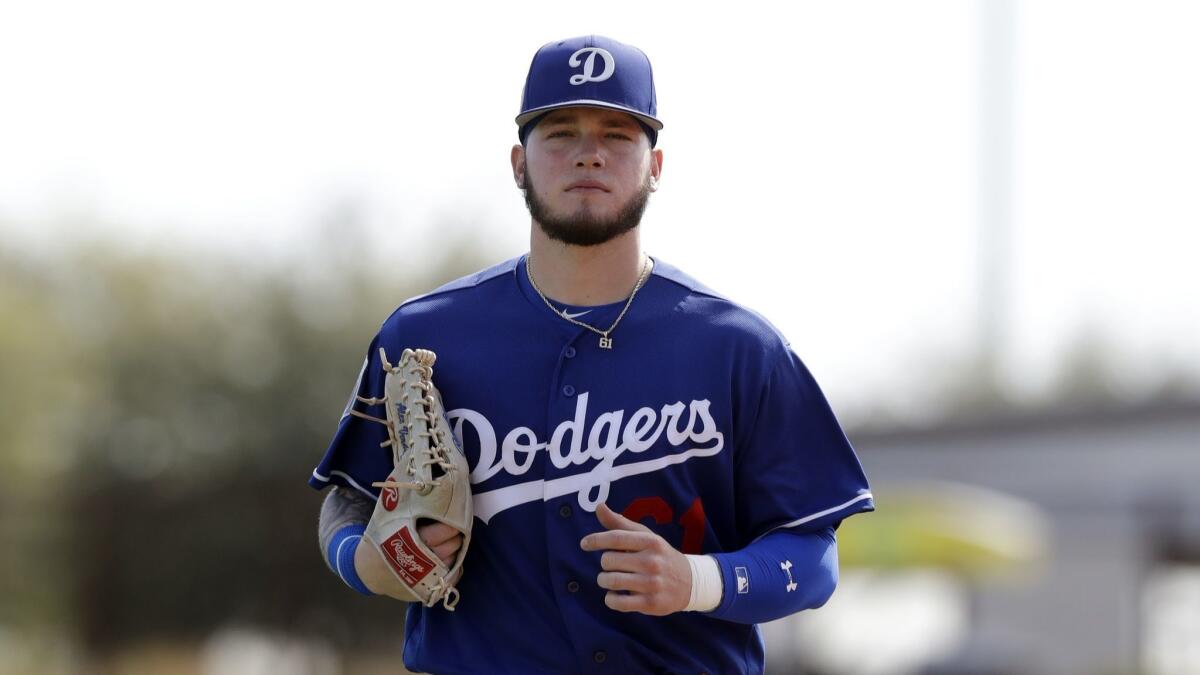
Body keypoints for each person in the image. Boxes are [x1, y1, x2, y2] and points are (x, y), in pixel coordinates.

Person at [310, 35, 874, 674]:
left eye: (617, 134)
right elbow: (346, 502)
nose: (590, 155)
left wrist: (699, 580)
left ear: (655, 166)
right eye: (561, 133)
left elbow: (813, 556)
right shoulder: (425, 335)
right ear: (519, 163)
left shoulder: (740, 349)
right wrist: (367, 563)